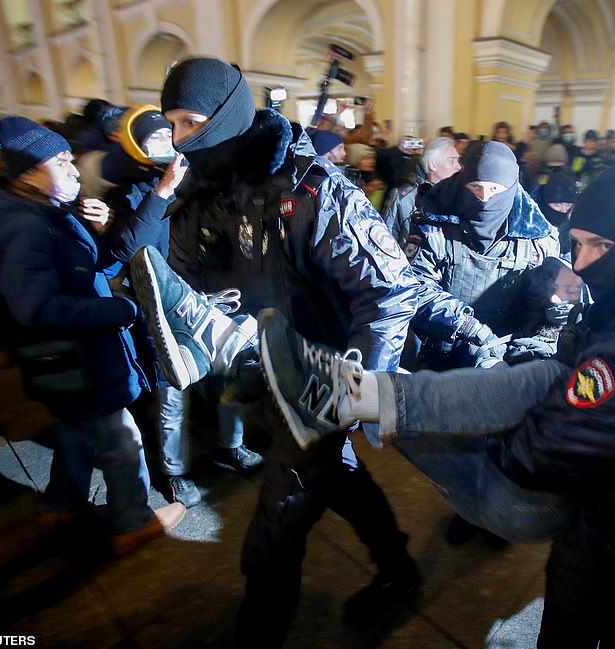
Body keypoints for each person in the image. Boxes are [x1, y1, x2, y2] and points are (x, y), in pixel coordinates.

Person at [259, 158, 615, 648]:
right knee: (531, 388)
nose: (582, 262)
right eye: (577, 243)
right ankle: (363, 399)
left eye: (600, 246)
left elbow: (534, 452)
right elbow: (574, 363)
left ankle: (361, 403)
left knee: (514, 485)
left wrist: (481, 415)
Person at [128, 56, 422, 644]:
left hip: (322, 380)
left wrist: (357, 384)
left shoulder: (312, 189)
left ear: (227, 114)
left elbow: (389, 291)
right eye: (174, 126)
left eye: (192, 122)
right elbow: (180, 288)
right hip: (260, 382)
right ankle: (400, 567)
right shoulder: (199, 197)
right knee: (336, 480)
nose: (182, 140)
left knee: (277, 523)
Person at [0, 116, 186, 556]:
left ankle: (60, 506)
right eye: (61, 162)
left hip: (71, 359)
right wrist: (118, 309)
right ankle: (132, 522)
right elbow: (35, 306)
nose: (73, 169)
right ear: (30, 171)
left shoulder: (44, 211)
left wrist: (101, 228)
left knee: (75, 432)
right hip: (77, 357)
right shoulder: (24, 225)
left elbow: (88, 267)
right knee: (123, 441)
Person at [105, 104, 262, 508]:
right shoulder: (126, 194)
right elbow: (129, 249)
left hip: (207, 301)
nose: (165, 142)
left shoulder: (194, 180)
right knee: (173, 398)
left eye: (169, 134)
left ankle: (233, 446)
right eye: (153, 138)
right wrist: (161, 192)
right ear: (135, 146)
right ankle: (175, 474)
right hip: (164, 313)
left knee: (231, 382)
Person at [405, 140, 560, 372]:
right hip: (442, 354)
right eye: (476, 188)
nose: (485, 199)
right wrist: (467, 327)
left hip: (507, 357)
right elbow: (413, 285)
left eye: (495, 190)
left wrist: (547, 326)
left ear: (511, 188)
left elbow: (541, 298)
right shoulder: (435, 223)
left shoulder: (538, 237)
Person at [380, 136, 461, 246]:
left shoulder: (462, 197)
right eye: (451, 161)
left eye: (458, 160)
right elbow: (387, 240)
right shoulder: (405, 198)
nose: (458, 166)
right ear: (433, 165)